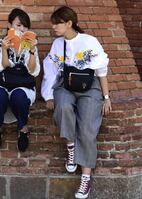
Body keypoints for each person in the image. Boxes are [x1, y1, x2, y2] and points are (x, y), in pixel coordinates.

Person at [41, 6, 112, 199]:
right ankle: (71, 146)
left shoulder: (89, 41)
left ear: (69, 23)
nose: (54, 27)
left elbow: (101, 70)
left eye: (58, 23)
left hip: (90, 87)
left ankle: (86, 178)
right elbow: (51, 69)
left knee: (88, 129)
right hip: (67, 86)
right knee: (62, 106)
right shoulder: (57, 44)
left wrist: (106, 98)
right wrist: (48, 94)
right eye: (53, 23)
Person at [0, 8, 40, 152]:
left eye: (25, 26)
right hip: (1, 80)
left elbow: (33, 71)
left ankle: (23, 129)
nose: (22, 29)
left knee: (19, 97)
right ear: (10, 26)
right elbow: (0, 67)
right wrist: (4, 49)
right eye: (18, 25)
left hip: (22, 83)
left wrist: (33, 51)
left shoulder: (29, 45)